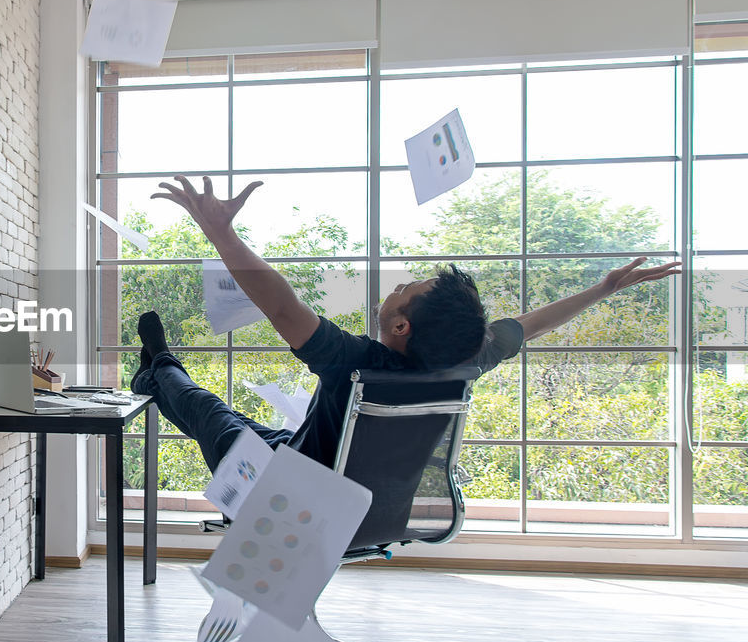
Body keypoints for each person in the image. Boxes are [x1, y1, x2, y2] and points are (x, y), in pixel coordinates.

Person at [130, 175, 682, 472]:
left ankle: (156, 371)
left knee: (209, 410)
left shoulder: (357, 364)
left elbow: (281, 306)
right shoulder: (459, 364)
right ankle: (157, 368)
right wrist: (604, 289)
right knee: (258, 429)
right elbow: (530, 326)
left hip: (290, 492)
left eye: (407, 289)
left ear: (400, 327)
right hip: (351, 489)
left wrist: (221, 232)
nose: (399, 284)